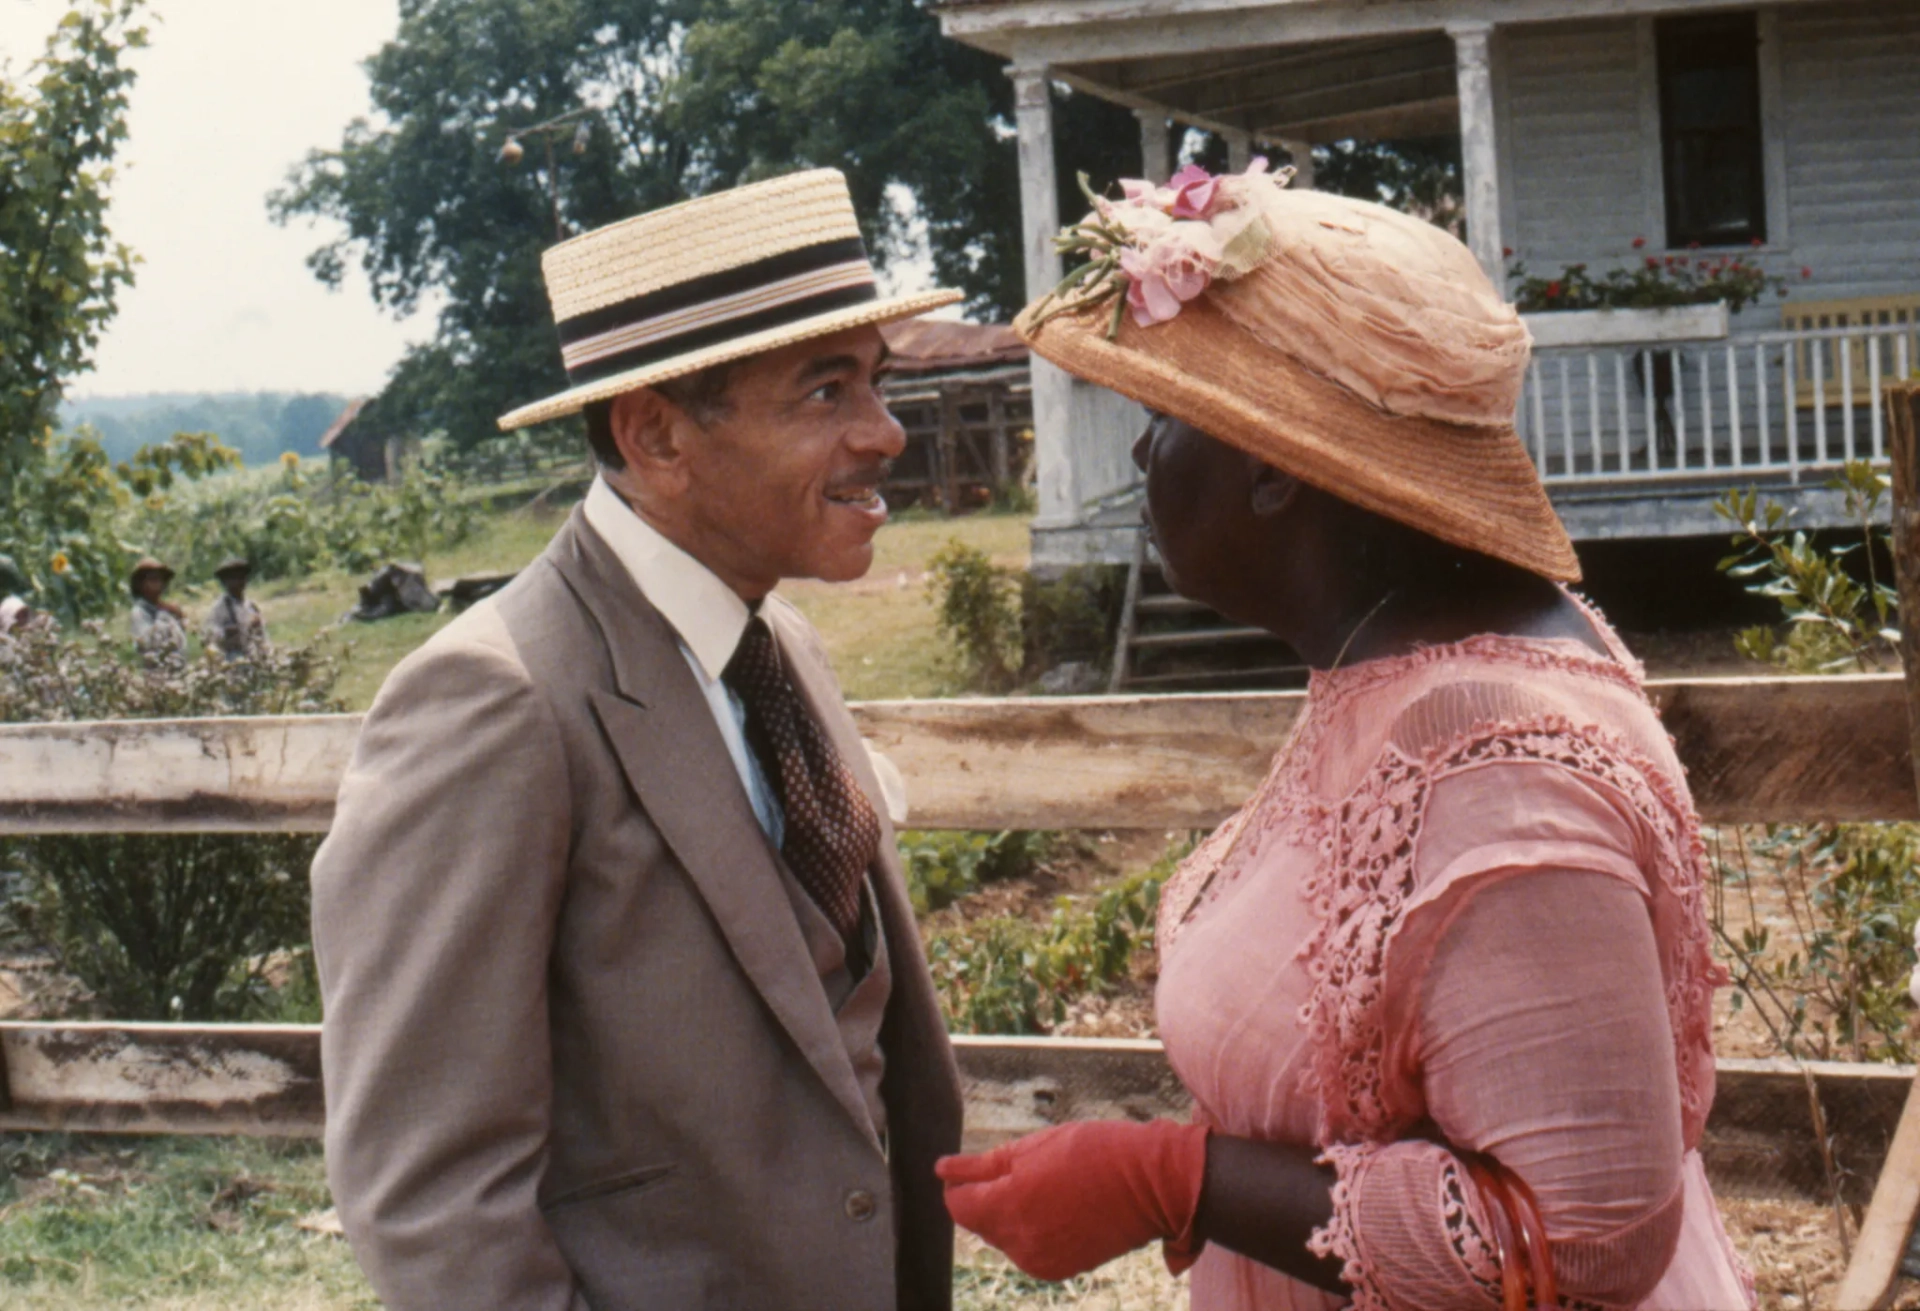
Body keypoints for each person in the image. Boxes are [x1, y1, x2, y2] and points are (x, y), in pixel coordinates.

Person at [938, 167, 1754, 1308]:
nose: (1139, 460)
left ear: (1274, 467)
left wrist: (1173, 1181)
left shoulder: (1502, 765)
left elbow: (1579, 1245)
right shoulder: (1387, 670)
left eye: (1164, 417)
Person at [310, 170, 965, 1311]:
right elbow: (430, 1198)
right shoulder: (493, 701)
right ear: (656, 433)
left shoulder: (781, 648)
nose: (886, 432)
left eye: (876, 380)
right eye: (824, 392)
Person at [201, 557, 268, 657]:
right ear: (225, 582)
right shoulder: (220, 608)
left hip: (253, 656)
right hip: (230, 658)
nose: (238, 582)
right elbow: (208, 637)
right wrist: (225, 633)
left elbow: (263, 636)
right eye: (233, 578)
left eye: (241, 577)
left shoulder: (251, 607)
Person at [128, 558, 187, 660]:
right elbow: (146, 642)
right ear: (140, 584)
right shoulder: (139, 612)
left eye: (159, 579)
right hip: (155, 665)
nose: (157, 583)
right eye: (152, 579)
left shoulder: (167, 610)